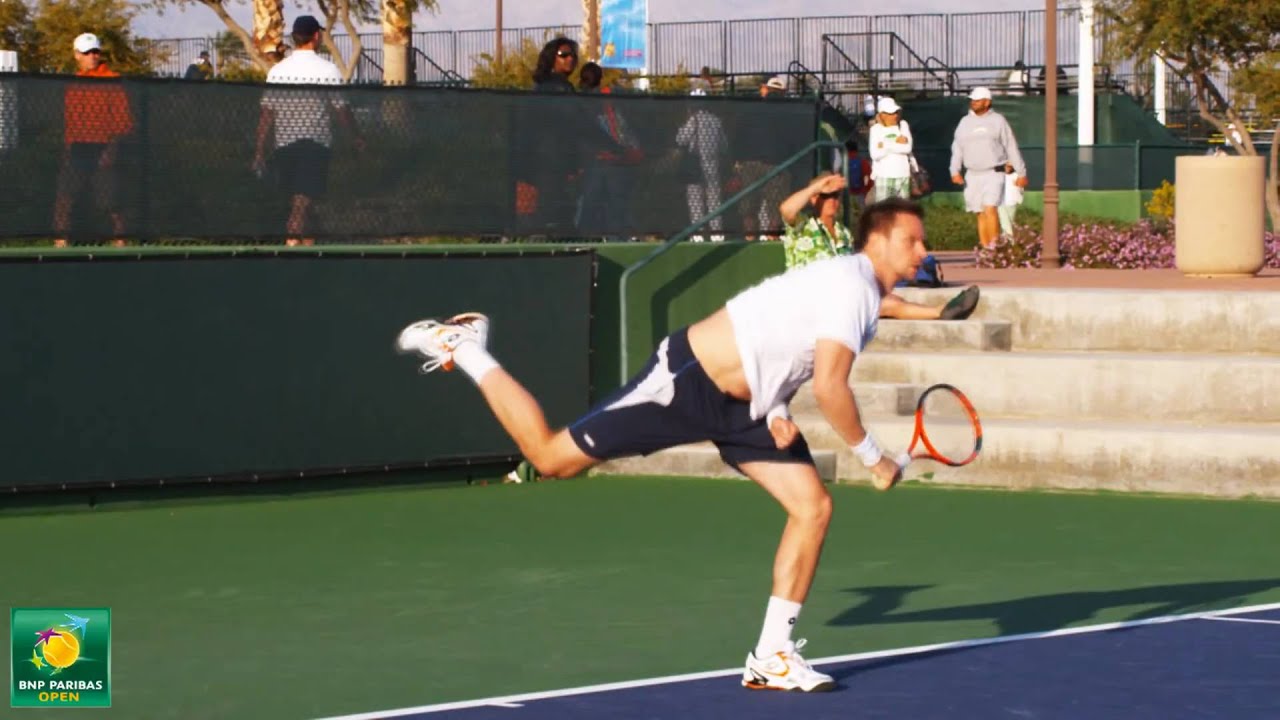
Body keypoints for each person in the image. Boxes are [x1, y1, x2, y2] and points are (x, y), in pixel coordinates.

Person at [396, 199, 942, 693]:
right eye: (912, 239)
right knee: (549, 458)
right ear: (878, 239)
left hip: (746, 408)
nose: (923, 249)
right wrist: (872, 455)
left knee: (813, 507)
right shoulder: (852, 286)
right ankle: (465, 347)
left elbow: (785, 340)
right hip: (688, 381)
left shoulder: (862, 293)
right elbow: (829, 386)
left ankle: (772, 654)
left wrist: (775, 409)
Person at [780, 174, 980, 320]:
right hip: (811, 297)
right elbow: (786, 209)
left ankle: (942, 311)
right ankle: (940, 312)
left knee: (885, 298)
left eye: (836, 195)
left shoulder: (843, 233)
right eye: (827, 196)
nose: (833, 200)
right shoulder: (802, 226)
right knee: (885, 304)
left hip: (839, 295)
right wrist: (816, 187)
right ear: (814, 199)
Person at [253, 15, 362, 246]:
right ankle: (292, 248)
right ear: (315, 36)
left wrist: (260, 152)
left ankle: (306, 252)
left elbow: (266, 115)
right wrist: (356, 138)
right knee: (301, 207)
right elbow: (342, 110)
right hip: (315, 146)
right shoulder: (327, 70)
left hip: (285, 146)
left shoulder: (278, 72)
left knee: (303, 202)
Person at [53, 33, 133, 248]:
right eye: (87, 52)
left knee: (110, 197)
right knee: (65, 194)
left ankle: (120, 240)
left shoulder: (112, 81)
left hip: (104, 146)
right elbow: (69, 120)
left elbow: (122, 120)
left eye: (95, 51)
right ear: (77, 55)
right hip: (77, 147)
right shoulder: (73, 84)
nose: (92, 56)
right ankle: (61, 240)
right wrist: (69, 146)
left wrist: (111, 148)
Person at [949, 87, 1027, 248]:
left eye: (977, 101)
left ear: (987, 102)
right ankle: (985, 249)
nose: (974, 103)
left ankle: (994, 248)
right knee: (980, 213)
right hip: (972, 174)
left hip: (994, 172)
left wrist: (1021, 172)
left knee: (990, 208)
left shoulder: (998, 120)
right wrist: (954, 170)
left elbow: (1010, 145)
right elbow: (957, 148)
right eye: (972, 100)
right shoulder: (964, 122)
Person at [676, 84, 728, 242]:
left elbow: (680, 140)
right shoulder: (716, 121)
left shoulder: (693, 120)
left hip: (695, 165)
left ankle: (698, 235)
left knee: (695, 201)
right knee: (714, 201)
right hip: (713, 164)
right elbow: (724, 146)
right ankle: (717, 233)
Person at [868, 97, 913, 201]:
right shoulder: (875, 130)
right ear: (882, 115)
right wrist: (895, 142)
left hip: (903, 175)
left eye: (896, 112)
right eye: (891, 113)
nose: (895, 116)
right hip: (884, 176)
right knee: (884, 211)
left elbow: (907, 148)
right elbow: (875, 154)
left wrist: (885, 145)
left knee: (902, 210)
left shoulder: (903, 125)